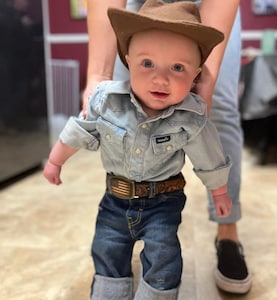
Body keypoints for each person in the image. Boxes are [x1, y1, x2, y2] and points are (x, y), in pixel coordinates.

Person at [44, 1, 234, 298]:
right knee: (107, 249)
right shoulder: (107, 101)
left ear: (196, 73)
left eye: (178, 67)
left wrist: (219, 192)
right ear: (128, 60)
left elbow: (209, 157)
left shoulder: (190, 117)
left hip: (163, 202)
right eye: (147, 63)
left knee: (164, 256)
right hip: (115, 200)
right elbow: (80, 132)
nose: (161, 78)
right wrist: (56, 161)